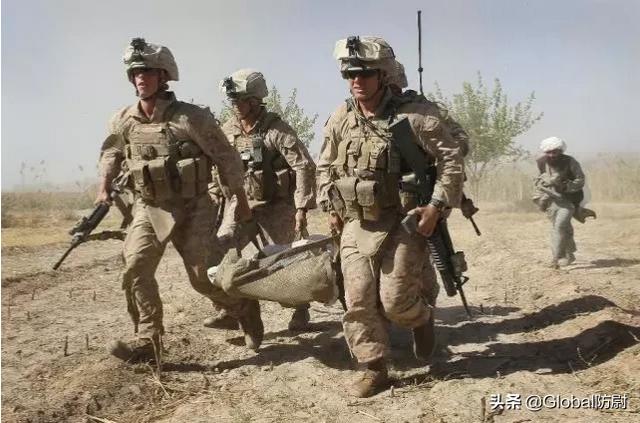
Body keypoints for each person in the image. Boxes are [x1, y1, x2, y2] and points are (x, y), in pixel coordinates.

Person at [97, 38, 264, 361]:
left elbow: (227, 158)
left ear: (163, 76)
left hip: (193, 207)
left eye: (147, 71)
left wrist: (240, 201)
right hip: (150, 207)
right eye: (136, 72)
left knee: (203, 278)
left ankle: (243, 307)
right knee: (135, 268)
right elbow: (111, 153)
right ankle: (148, 340)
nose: (140, 78)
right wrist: (103, 186)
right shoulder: (123, 120)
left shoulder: (190, 118)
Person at [317, 36, 465, 397]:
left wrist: (436, 207)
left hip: (404, 220)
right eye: (349, 74)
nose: (356, 80)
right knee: (357, 298)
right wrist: (330, 205)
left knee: (396, 302)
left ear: (383, 75)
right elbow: (325, 164)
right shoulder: (341, 116)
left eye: (365, 73)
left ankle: (422, 318)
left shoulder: (415, 116)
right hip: (357, 221)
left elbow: (451, 160)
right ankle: (374, 367)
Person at [203, 69, 317, 332]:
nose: (234, 105)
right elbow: (216, 165)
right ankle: (232, 309)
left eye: (240, 100)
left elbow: (303, 165)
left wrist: (301, 207)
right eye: (232, 100)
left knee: (285, 260)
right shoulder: (228, 130)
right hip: (240, 204)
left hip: (277, 206)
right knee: (216, 252)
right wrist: (215, 194)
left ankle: (300, 307)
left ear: (255, 100)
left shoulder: (276, 129)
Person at [533, 136, 596, 268]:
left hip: (568, 200)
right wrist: (541, 194)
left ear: (560, 151)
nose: (551, 155)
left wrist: (564, 186)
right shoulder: (541, 162)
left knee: (559, 227)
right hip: (550, 201)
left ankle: (557, 258)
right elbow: (538, 179)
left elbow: (580, 180)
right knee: (563, 228)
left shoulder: (570, 162)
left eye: (554, 152)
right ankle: (569, 254)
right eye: (548, 152)